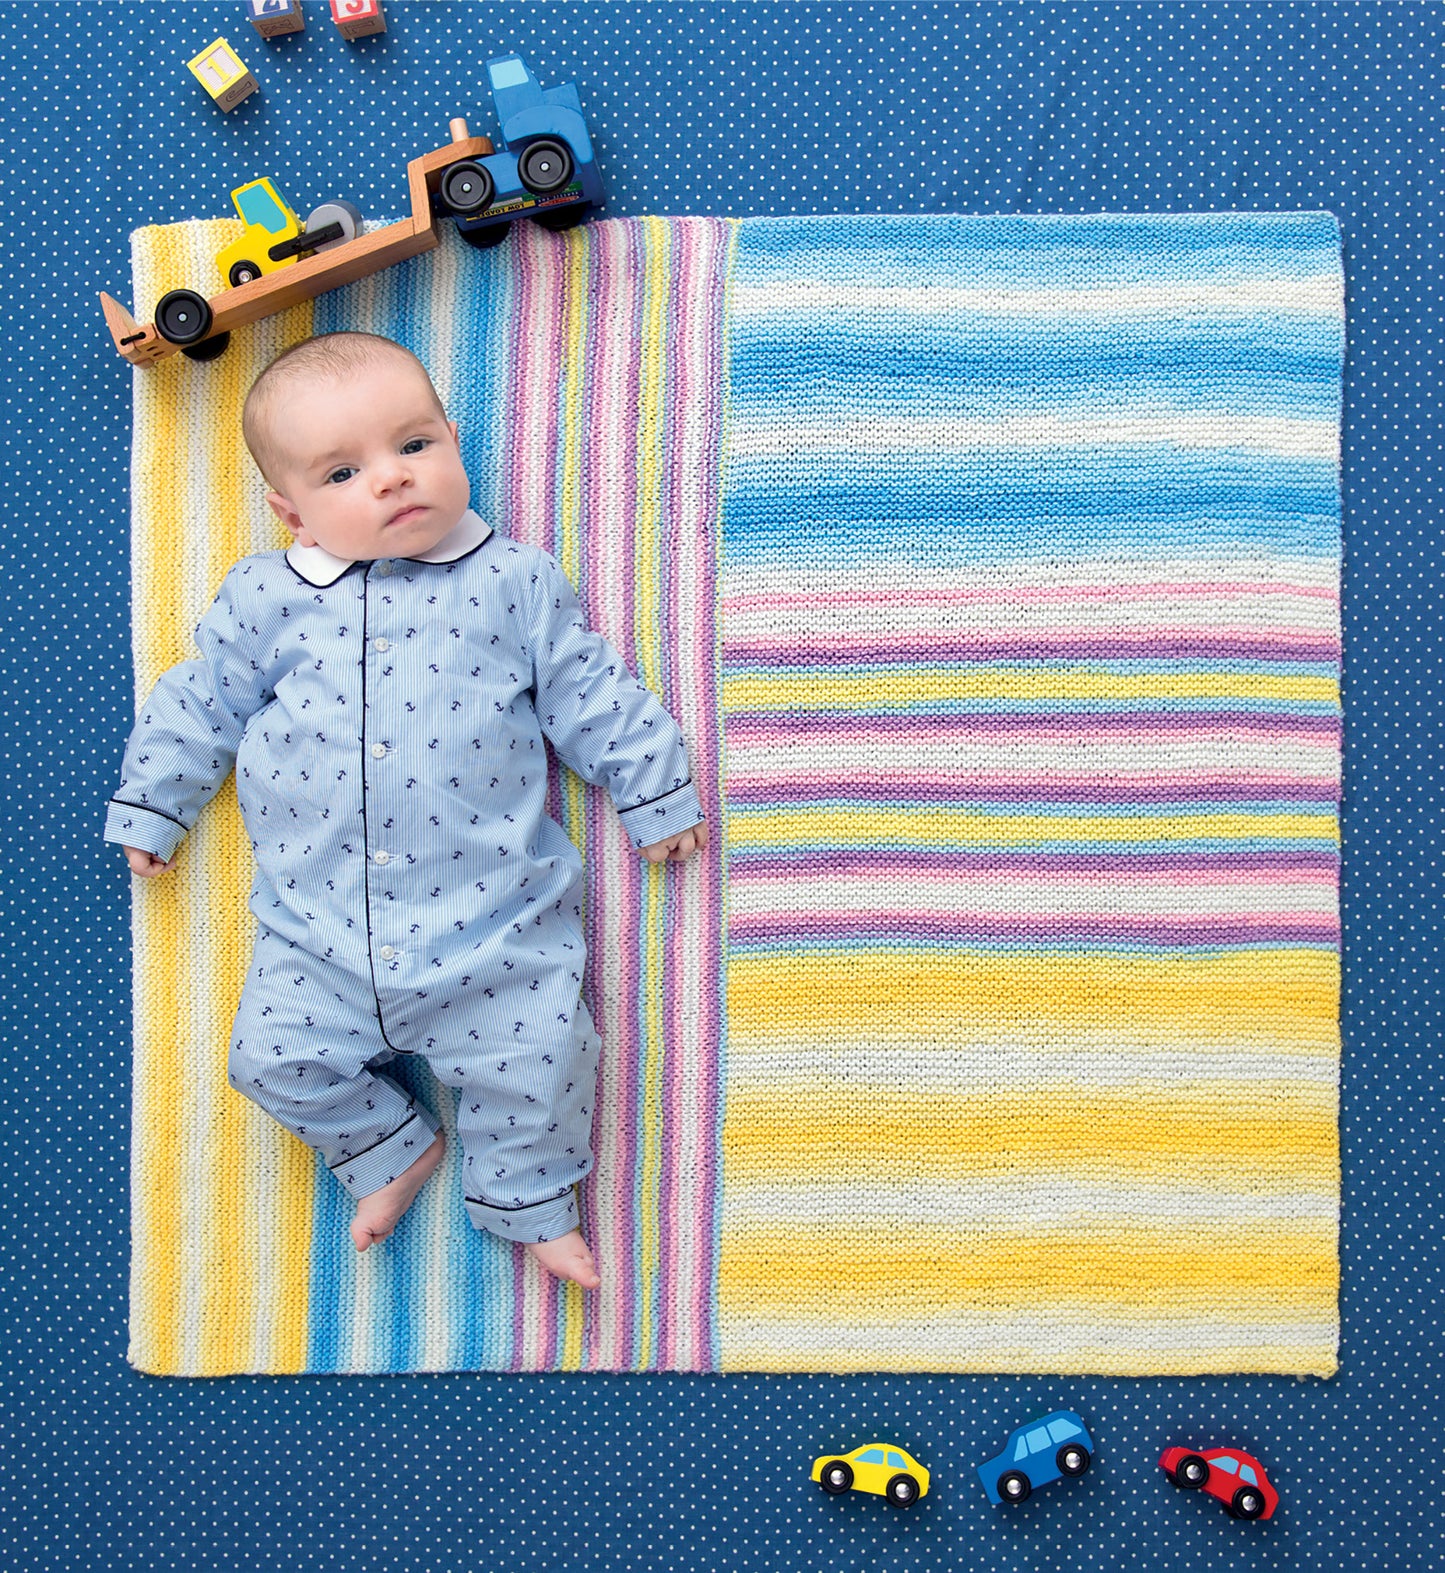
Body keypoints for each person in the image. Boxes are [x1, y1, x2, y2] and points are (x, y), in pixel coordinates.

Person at [103, 331, 707, 1291]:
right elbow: (197, 700)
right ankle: (390, 1149)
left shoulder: (512, 581)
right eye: (344, 471)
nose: (391, 479)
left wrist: (652, 786)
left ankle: (530, 1201)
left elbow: (589, 688)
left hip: (493, 930)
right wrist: (153, 802)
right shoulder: (265, 598)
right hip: (320, 935)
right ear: (289, 509)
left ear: (454, 443)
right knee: (270, 1060)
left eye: (414, 445)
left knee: (545, 1060)